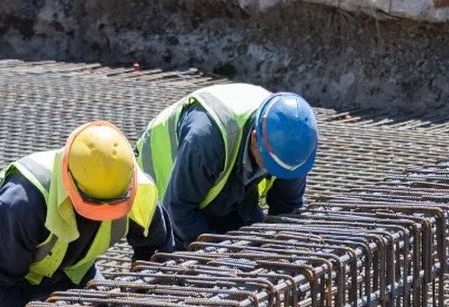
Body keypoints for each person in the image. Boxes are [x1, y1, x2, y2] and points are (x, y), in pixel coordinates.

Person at [0, 121, 173, 307]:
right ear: (69, 182)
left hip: (75, 269)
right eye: (93, 209)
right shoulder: (24, 202)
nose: (100, 219)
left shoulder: (141, 194)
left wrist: (140, 298)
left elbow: (155, 256)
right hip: (0, 273)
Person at [135, 83, 317, 246]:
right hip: (165, 197)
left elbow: (287, 209)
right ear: (255, 139)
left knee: (251, 246)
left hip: (230, 192)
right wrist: (217, 256)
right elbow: (179, 210)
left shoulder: (294, 145)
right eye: (271, 164)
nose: (275, 172)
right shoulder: (206, 140)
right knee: (170, 268)